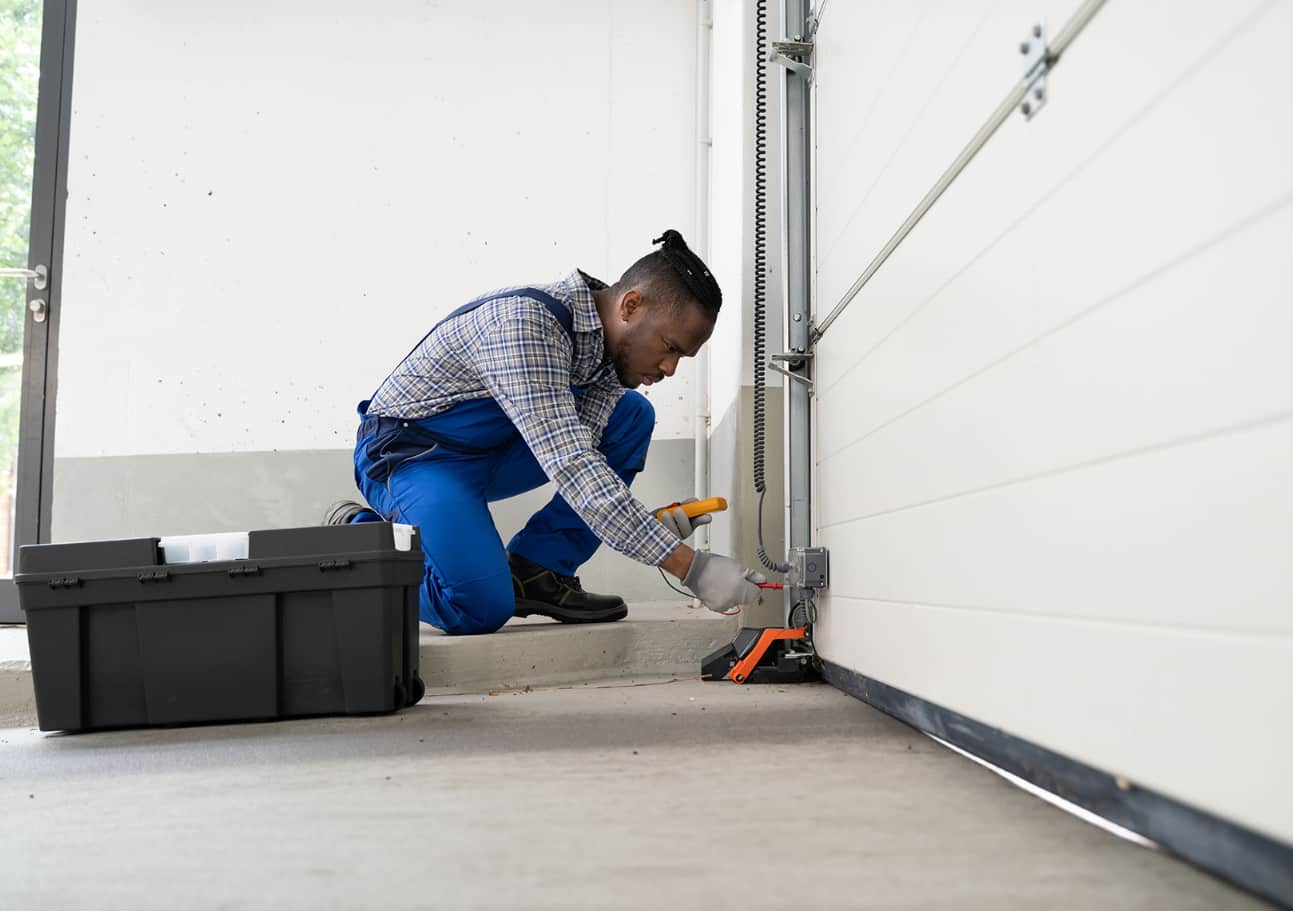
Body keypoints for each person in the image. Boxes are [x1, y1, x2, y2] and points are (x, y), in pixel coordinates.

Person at [329, 230, 765, 635]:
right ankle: (363, 540)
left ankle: (538, 570)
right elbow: (573, 467)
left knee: (631, 416)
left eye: (681, 358)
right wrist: (692, 568)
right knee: (478, 605)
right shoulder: (527, 326)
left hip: (491, 452)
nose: (670, 369)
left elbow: (588, 462)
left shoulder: (610, 355)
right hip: (413, 457)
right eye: (670, 348)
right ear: (631, 306)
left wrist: (648, 527)